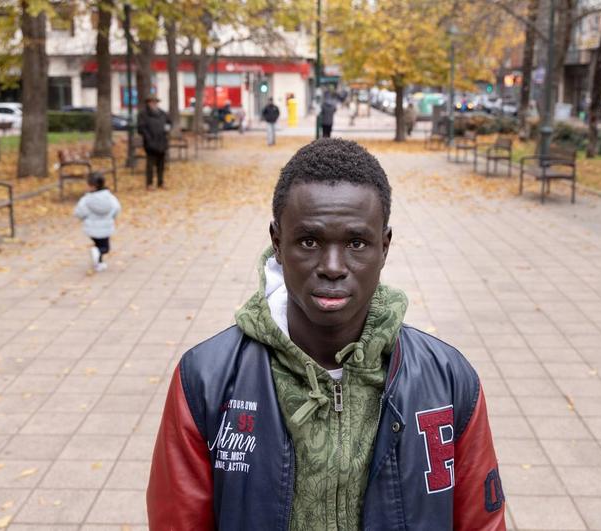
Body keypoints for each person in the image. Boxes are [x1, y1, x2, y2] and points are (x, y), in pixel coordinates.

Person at [147, 138, 505, 530]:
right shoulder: (206, 379)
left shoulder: (449, 380)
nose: (333, 267)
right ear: (277, 243)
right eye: (309, 241)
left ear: (384, 247)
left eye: (356, 242)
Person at [74, 172, 121, 272]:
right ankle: (98, 256)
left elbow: (79, 212)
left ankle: (99, 263)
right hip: (105, 227)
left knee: (98, 245)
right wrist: (112, 217)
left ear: (92, 186)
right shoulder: (110, 197)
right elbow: (116, 208)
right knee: (105, 248)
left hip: (91, 228)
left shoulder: (86, 200)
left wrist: (83, 218)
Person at [137, 95, 171, 189]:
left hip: (162, 142)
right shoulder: (143, 114)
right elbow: (141, 128)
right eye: (152, 102)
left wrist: (166, 132)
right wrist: (148, 139)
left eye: (155, 102)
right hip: (150, 143)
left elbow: (168, 123)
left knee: (161, 164)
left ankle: (160, 182)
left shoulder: (162, 113)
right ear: (148, 103)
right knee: (150, 164)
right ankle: (149, 183)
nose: (154, 104)